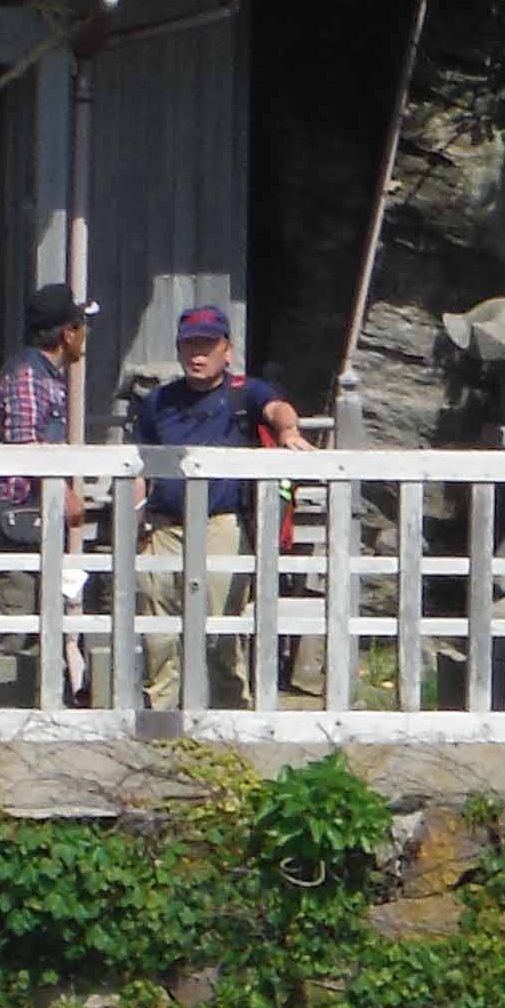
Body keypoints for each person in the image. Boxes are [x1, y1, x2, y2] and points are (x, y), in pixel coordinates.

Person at [124, 300, 312, 706]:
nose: (197, 354)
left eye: (207, 345)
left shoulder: (246, 392)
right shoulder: (158, 401)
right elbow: (139, 465)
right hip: (164, 525)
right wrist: (133, 523)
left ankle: (231, 717)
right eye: (189, 345)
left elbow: (278, 408)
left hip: (221, 525)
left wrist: (289, 430)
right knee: (158, 632)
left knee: (222, 632)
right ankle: (160, 717)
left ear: (226, 350)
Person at [0, 279, 94, 700]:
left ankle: (47, 697)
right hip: (21, 517)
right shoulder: (29, 375)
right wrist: (66, 495)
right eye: (81, 326)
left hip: (37, 522)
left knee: (52, 613)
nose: (84, 336)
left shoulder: (45, 375)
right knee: (18, 622)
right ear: (67, 333)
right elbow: (26, 446)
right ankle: (6, 711)